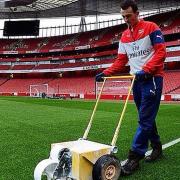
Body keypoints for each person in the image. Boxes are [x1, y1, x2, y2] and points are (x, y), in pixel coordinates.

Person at [95, 0, 166, 176]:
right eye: (123, 16)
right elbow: (121, 61)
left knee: (144, 120)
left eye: (128, 15)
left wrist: (146, 70)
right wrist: (106, 72)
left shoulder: (151, 27)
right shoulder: (124, 36)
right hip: (136, 81)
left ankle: (134, 157)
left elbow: (161, 51)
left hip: (152, 79)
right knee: (146, 117)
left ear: (136, 13)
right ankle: (157, 147)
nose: (126, 19)